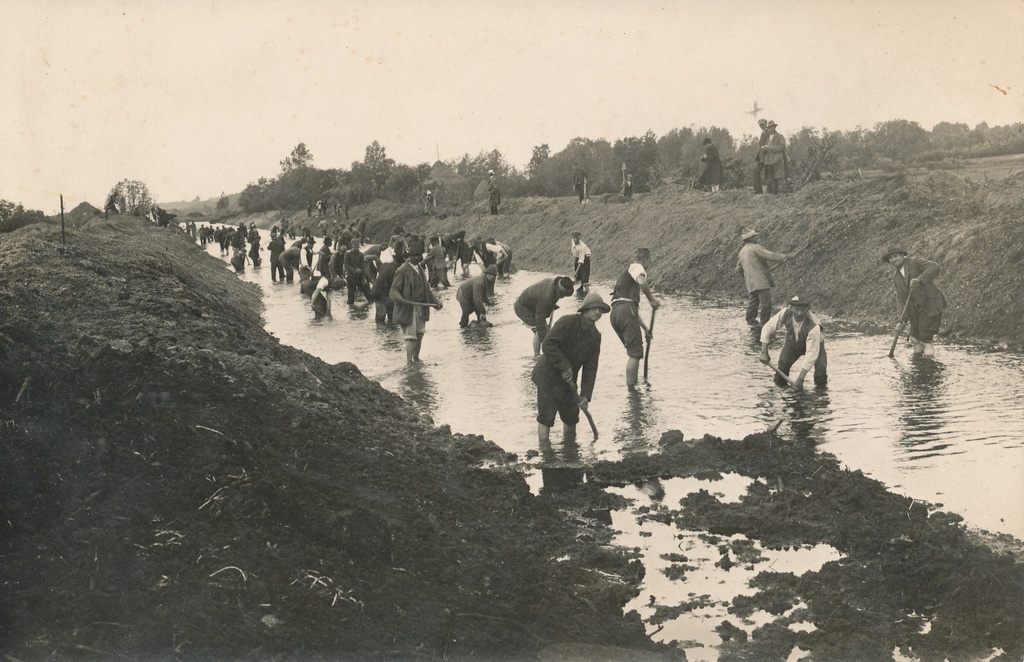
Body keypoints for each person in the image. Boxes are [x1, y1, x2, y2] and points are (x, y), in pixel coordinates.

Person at [531, 292, 609, 444]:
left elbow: (590, 368)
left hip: (569, 382)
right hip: (548, 377)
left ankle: (570, 450)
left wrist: (586, 395)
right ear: (584, 310)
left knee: (572, 417)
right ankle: (545, 453)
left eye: (600, 309)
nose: (597, 312)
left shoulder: (595, 336)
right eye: (594, 308)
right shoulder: (567, 322)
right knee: (546, 418)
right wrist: (564, 365)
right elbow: (548, 344)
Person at [882, 247, 947, 358]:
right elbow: (901, 298)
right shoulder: (896, 277)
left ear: (902, 255)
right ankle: (918, 365)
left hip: (930, 305)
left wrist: (920, 279)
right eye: (891, 258)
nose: (893, 259)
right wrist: (901, 318)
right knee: (915, 339)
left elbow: (935, 267)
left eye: (895, 256)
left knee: (925, 340)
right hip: (915, 310)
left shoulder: (915, 262)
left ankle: (928, 368)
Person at [610, 247, 660, 387]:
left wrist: (645, 329)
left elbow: (633, 312)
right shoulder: (637, 266)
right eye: (649, 262)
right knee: (635, 353)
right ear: (645, 259)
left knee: (634, 351)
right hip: (626, 311)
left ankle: (633, 387)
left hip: (616, 314)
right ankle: (633, 392)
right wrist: (651, 300)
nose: (649, 265)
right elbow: (642, 282)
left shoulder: (626, 276)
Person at [759, 295, 828, 388]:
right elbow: (768, 328)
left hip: (816, 347)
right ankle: (782, 393)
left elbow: (811, 354)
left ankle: (819, 398)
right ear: (790, 308)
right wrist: (764, 352)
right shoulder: (785, 313)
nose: (799, 313)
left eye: (803, 310)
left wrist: (801, 378)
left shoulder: (814, 325)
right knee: (781, 371)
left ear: (808, 309)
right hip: (792, 343)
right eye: (796, 309)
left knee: (820, 377)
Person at [390, 249, 441, 364]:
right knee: (410, 336)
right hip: (408, 308)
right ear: (409, 256)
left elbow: (427, 290)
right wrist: (400, 299)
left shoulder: (421, 269)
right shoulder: (402, 270)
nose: (417, 258)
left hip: (421, 307)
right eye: (414, 255)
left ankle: (416, 358)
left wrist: (436, 301)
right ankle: (409, 362)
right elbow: (394, 290)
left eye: (419, 255)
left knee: (420, 333)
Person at [737, 229, 790, 330]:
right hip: (760, 281)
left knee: (753, 303)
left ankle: (751, 322)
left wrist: (747, 276)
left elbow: (738, 268)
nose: (756, 238)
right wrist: (785, 257)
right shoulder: (755, 248)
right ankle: (764, 325)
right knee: (766, 304)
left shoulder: (742, 251)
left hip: (751, 283)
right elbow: (771, 256)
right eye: (755, 236)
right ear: (751, 238)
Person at [515, 276, 575, 356]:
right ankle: (536, 356)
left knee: (544, 329)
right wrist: (545, 344)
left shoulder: (555, 285)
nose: (563, 297)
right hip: (523, 307)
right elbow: (539, 320)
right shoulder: (546, 297)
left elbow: (548, 299)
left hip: (533, 304)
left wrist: (552, 304)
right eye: (563, 295)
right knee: (538, 329)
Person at [370, 251, 403, 324]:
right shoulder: (395, 270)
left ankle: (382, 332)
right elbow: (392, 285)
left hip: (376, 292)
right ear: (400, 263)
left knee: (386, 314)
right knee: (383, 316)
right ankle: (385, 332)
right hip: (382, 294)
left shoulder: (385, 265)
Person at [343, 239, 372, 305]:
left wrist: (364, 278)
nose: (356, 246)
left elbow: (363, 267)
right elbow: (346, 265)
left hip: (359, 277)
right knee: (351, 296)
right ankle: (351, 311)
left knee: (367, 293)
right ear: (351, 245)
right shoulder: (348, 254)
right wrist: (354, 270)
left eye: (357, 244)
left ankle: (368, 308)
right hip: (350, 276)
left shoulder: (361, 255)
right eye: (355, 244)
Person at [762, 121, 786, 194]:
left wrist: (771, 148)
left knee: (779, 176)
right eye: (768, 128)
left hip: (777, 159)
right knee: (771, 177)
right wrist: (764, 149)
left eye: (771, 127)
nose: (770, 129)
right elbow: (766, 149)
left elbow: (782, 146)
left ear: (774, 127)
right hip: (769, 160)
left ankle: (781, 193)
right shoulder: (768, 138)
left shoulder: (779, 136)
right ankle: (774, 193)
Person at [570, 231, 592, 296]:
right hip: (577, 258)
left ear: (579, 238)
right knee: (578, 278)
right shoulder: (573, 241)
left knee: (584, 278)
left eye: (576, 238)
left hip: (585, 261)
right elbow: (573, 254)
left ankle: (586, 294)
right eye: (573, 238)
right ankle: (579, 293)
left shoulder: (582, 247)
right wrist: (574, 266)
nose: (574, 239)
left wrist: (576, 271)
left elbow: (581, 261)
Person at [752, 118, 769, 194]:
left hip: (767, 156)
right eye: (760, 125)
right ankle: (758, 190)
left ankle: (762, 190)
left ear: (766, 124)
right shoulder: (763, 132)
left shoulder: (768, 132)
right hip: (762, 157)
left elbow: (769, 144)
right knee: (756, 172)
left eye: (762, 124)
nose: (761, 126)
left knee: (767, 173)